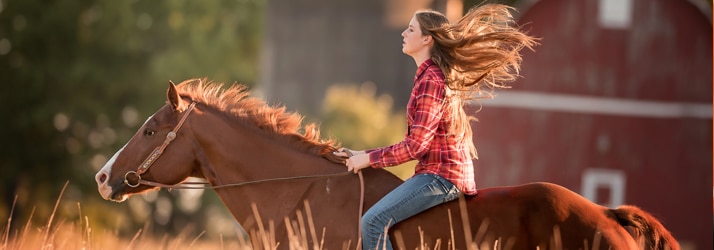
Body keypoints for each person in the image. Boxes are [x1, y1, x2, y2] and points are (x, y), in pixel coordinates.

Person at [334, 4, 537, 249]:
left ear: (426, 39)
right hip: (434, 173)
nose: (403, 34)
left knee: (373, 222)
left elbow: (415, 147)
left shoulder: (431, 80)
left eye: (410, 29)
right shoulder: (428, 76)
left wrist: (367, 160)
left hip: (441, 178)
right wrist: (361, 154)